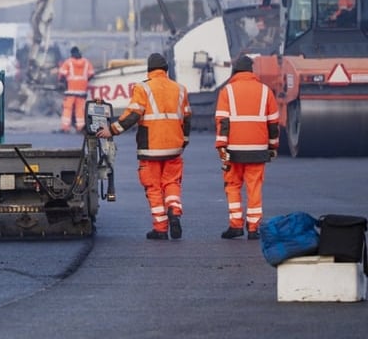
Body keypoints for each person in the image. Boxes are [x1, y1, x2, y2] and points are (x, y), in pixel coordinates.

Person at [95, 52, 192, 240]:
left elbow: (133, 115)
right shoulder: (180, 89)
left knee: (153, 187)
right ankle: (174, 209)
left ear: (149, 71)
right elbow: (187, 118)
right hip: (174, 147)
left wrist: (112, 130)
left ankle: (161, 229)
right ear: (166, 70)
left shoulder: (143, 88)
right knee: (172, 183)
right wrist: (184, 140)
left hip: (150, 148)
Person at [215, 54, 279, 240]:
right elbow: (273, 123)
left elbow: (222, 121)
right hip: (258, 149)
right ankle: (253, 228)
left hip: (233, 149)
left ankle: (235, 225)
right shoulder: (266, 91)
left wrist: (222, 147)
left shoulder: (227, 91)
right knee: (254, 187)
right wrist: (273, 146)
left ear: (235, 71)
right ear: (251, 71)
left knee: (232, 185)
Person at [57, 46, 95, 133]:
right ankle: (80, 127)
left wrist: (61, 82)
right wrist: (85, 81)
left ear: (72, 54)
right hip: (82, 90)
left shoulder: (68, 62)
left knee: (67, 109)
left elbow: (62, 74)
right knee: (80, 110)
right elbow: (92, 74)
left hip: (70, 90)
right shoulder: (86, 62)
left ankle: (65, 128)